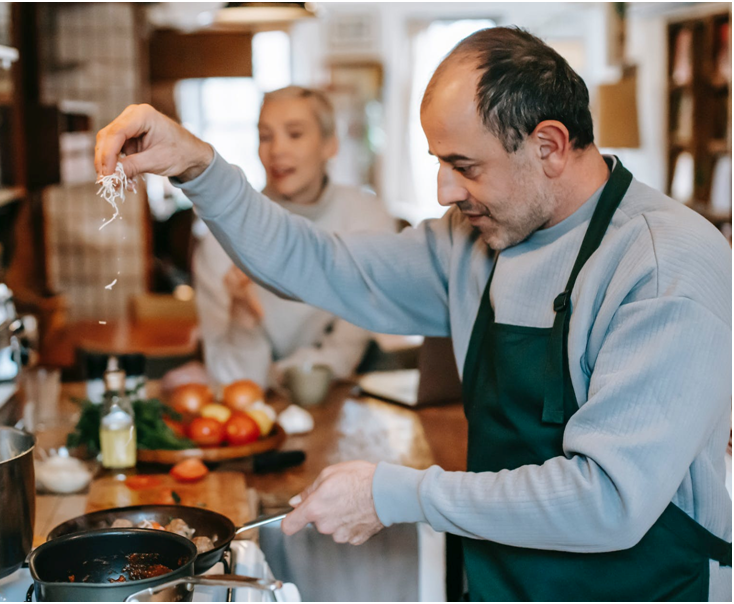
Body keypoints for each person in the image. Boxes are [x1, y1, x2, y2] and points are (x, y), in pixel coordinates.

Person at [96, 27, 732, 602]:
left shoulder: (663, 263)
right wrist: (198, 166)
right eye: (438, 164)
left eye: (464, 166)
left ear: (549, 145)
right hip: (500, 581)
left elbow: (610, 500)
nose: (443, 193)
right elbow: (315, 263)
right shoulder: (470, 242)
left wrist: (395, 492)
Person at [193, 86, 394, 388]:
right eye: (265, 136)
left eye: (295, 134)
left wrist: (282, 374)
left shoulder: (368, 218)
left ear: (330, 145)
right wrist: (243, 322)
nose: (277, 151)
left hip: (334, 395)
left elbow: (345, 349)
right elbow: (233, 382)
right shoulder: (221, 239)